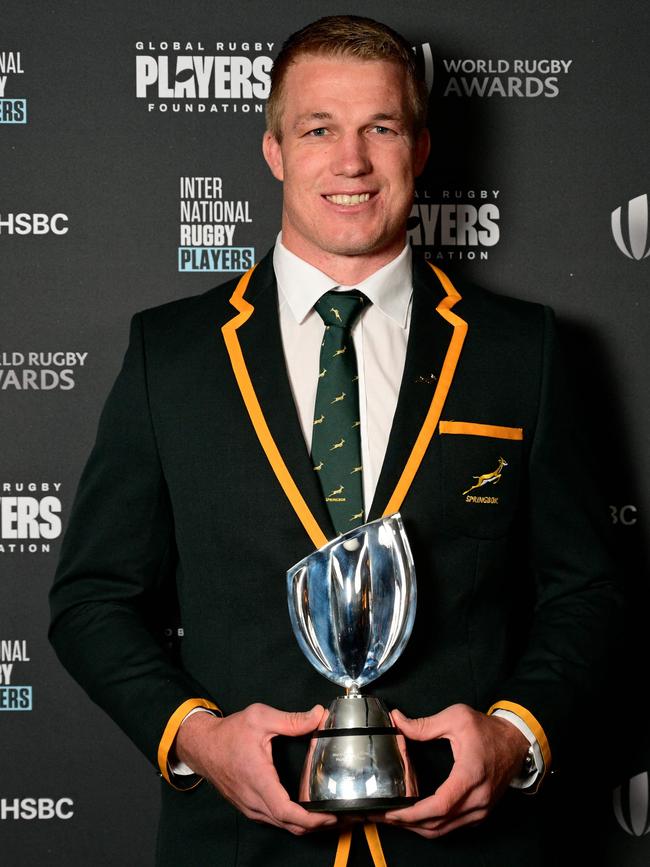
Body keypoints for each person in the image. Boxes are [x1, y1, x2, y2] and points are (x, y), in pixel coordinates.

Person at [49, 15, 622, 867]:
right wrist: (199, 740)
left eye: (379, 128)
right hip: (239, 848)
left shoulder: (521, 350)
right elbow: (92, 599)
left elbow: (587, 590)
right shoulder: (169, 355)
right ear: (275, 149)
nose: (350, 161)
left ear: (420, 148)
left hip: (471, 849)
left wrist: (515, 734)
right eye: (318, 128)